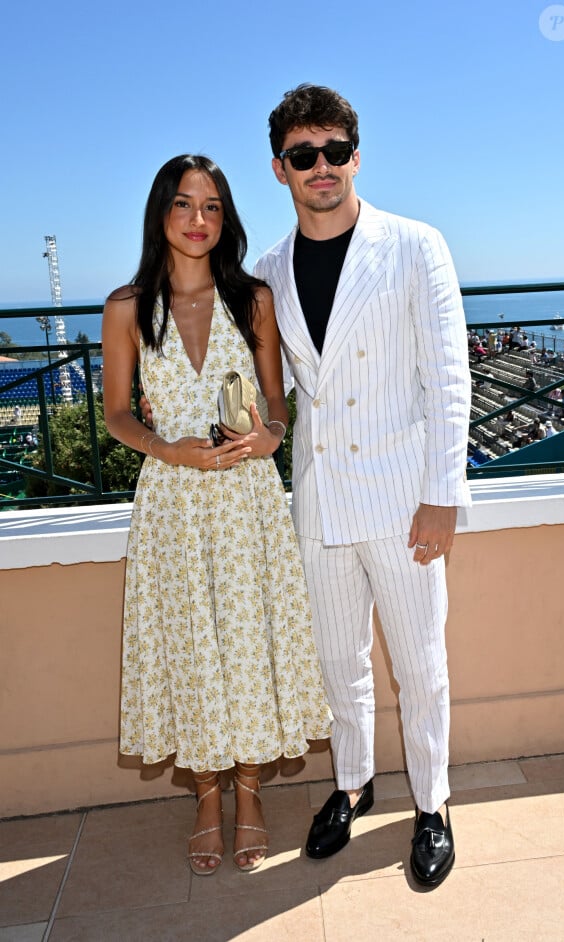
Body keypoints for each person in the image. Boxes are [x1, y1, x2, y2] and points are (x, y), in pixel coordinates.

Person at [254, 83, 472, 888]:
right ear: (280, 169)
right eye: (304, 155)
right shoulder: (266, 272)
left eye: (335, 151)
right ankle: (352, 784)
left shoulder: (416, 245)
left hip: (404, 497)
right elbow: (265, 390)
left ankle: (434, 803)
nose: (323, 167)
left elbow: (449, 379)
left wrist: (443, 494)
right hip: (319, 498)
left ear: (356, 154)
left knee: (420, 663)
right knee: (338, 663)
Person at [102, 154, 331, 877]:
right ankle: (207, 799)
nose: (198, 219)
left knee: (246, 642)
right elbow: (114, 415)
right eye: (183, 204)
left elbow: (277, 402)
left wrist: (268, 435)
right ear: (160, 214)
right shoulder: (125, 307)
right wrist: (168, 449)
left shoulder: (253, 299)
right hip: (172, 503)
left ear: (225, 217)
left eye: (211, 206)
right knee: (192, 647)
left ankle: (253, 796)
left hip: (245, 503)